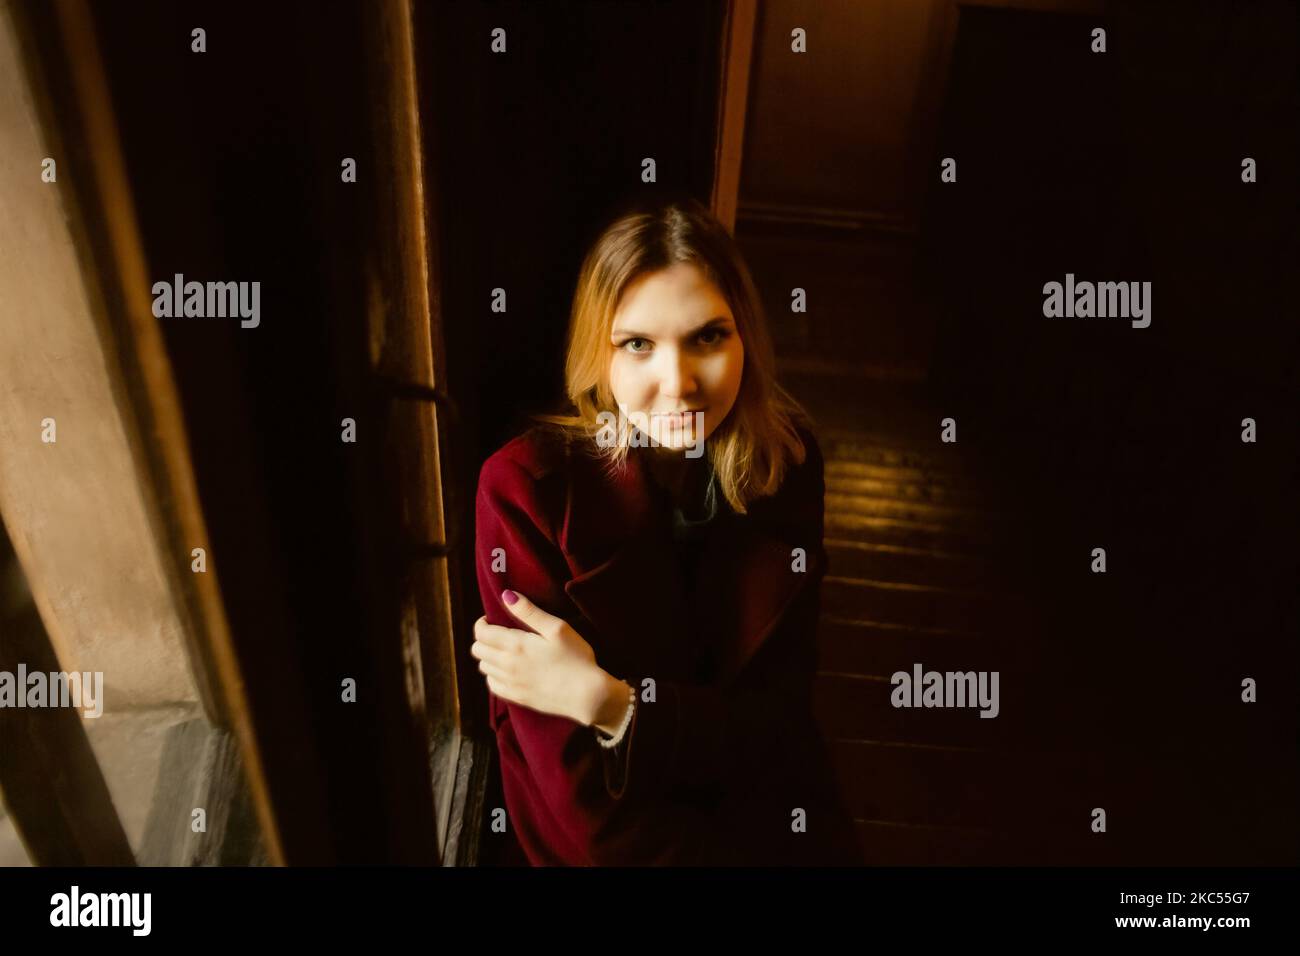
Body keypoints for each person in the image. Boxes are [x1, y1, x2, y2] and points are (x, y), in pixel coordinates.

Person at [471, 197, 862, 866]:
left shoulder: (785, 461)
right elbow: (576, 800)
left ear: (747, 338)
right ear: (599, 352)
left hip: (755, 809)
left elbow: (777, 723)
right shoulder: (524, 490)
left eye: (708, 336)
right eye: (638, 345)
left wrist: (612, 704)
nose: (678, 384)